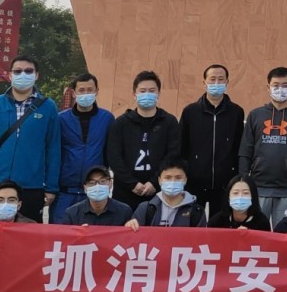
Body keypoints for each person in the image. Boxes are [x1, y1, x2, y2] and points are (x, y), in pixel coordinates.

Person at [0, 55, 61, 222]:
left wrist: (51, 187)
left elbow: (53, 149)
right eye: (18, 71)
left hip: (31, 186)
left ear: (36, 75)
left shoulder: (48, 107)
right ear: (10, 75)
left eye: (28, 71)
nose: (23, 75)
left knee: (27, 235)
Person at [239, 66, 287, 225]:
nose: (280, 89)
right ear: (268, 87)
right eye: (276, 85)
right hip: (258, 187)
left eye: (285, 85)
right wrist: (244, 181)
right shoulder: (256, 115)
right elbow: (245, 150)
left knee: (284, 233)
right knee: (256, 232)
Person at [106, 70, 181, 210]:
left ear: (158, 93)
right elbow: (114, 157)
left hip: (160, 192)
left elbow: (173, 155)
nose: (147, 94)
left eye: (152, 91)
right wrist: (132, 184)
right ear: (134, 94)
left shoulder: (169, 122)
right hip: (125, 193)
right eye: (142, 91)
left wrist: (155, 182)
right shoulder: (121, 123)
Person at [180, 63, 245, 220]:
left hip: (225, 183)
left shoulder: (236, 112)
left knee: (220, 225)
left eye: (221, 79)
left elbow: (239, 146)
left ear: (227, 82)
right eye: (212, 79)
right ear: (204, 82)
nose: (216, 83)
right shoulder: (190, 112)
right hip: (195, 182)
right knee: (193, 224)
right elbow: (182, 146)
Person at [53, 73, 114, 218]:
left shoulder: (107, 118)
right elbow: (54, 152)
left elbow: (111, 152)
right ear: (74, 93)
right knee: (60, 230)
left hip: (94, 191)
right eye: (81, 90)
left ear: (97, 91)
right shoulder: (61, 119)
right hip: (65, 192)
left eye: (90, 90)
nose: (86, 94)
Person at [126, 159, 206, 228]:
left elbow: (200, 238)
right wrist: (131, 225)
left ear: (185, 180)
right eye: (168, 177)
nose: (173, 181)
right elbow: (134, 237)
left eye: (178, 178)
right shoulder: (145, 208)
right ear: (159, 180)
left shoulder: (197, 212)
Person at [59, 165, 134, 225]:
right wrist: (80, 234)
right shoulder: (72, 213)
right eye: (92, 183)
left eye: (102, 181)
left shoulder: (124, 211)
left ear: (110, 184)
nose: (98, 186)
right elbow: (66, 237)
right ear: (85, 188)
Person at [207, 174, 272, 230]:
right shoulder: (217, 221)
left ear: (253, 196)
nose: (240, 197)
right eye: (235, 193)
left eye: (246, 193)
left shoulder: (262, 222)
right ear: (228, 196)